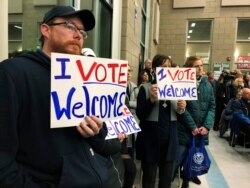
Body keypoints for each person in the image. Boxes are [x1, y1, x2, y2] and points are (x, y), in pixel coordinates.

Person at [0, 6, 109, 187]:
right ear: (45, 30)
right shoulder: (13, 73)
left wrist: (96, 132)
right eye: (69, 26)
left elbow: (100, 139)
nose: (78, 35)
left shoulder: (84, 77)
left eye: (82, 31)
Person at [135, 54, 186, 188]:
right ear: (154, 70)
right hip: (150, 139)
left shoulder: (177, 89)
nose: (168, 70)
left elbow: (179, 116)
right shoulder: (145, 88)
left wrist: (181, 109)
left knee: (166, 180)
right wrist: (151, 100)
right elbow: (140, 114)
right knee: (149, 179)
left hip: (170, 140)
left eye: (169, 67)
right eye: (164, 67)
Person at [174, 56, 215, 188]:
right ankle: (175, 174)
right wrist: (192, 126)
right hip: (185, 129)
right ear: (189, 68)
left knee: (193, 156)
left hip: (201, 130)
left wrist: (207, 126)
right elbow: (181, 107)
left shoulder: (207, 84)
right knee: (180, 156)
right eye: (196, 66)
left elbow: (212, 107)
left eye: (201, 65)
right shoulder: (183, 83)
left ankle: (188, 177)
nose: (200, 68)